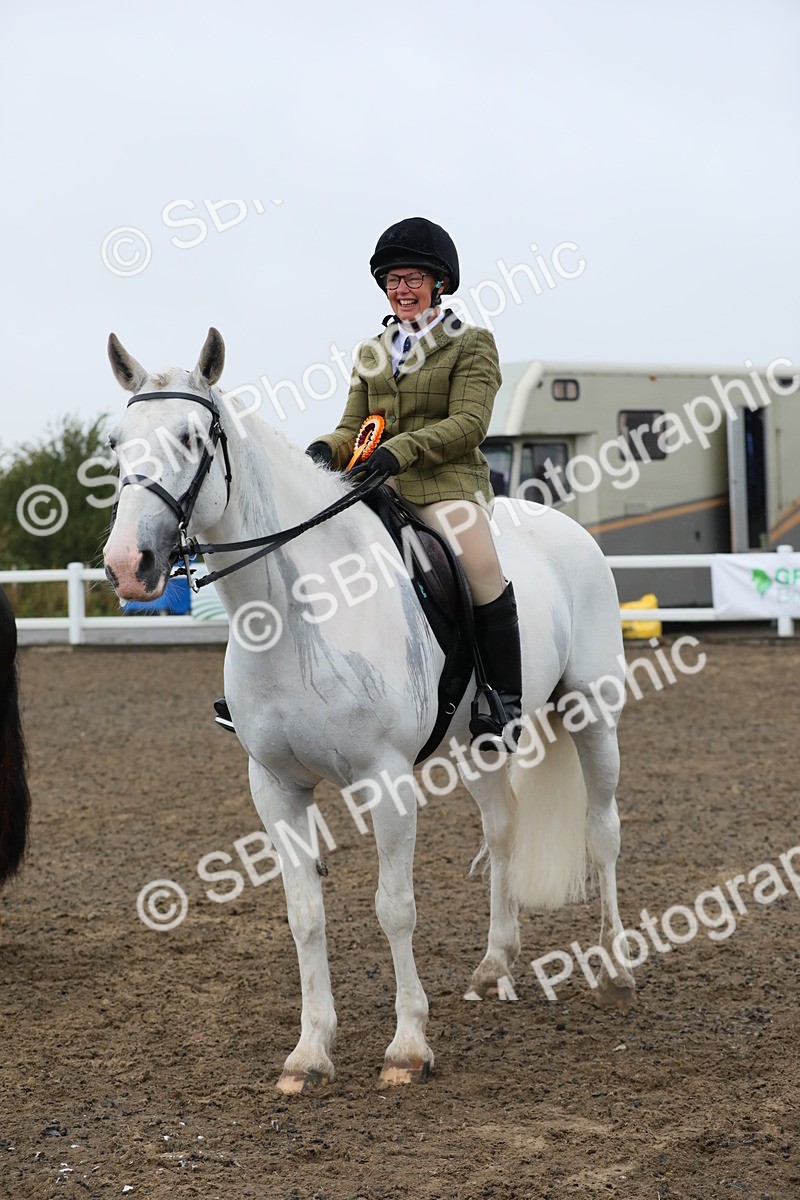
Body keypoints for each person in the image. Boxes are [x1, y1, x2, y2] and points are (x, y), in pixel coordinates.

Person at [215, 217, 522, 748]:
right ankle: (267, 688)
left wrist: (400, 451)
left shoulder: (471, 344)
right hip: (375, 483)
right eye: (393, 280)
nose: (402, 290)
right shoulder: (371, 351)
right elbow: (352, 426)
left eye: (412, 279)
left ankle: (502, 699)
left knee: (480, 569)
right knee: (305, 555)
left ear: (438, 283)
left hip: (445, 486)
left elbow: (470, 423)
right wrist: (321, 451)